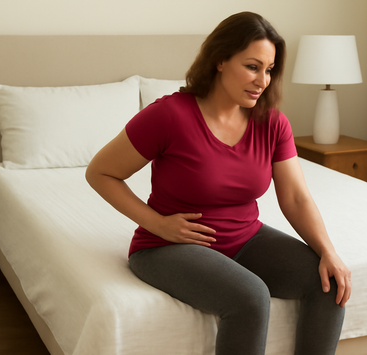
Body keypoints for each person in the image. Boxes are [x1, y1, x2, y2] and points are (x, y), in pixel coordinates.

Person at [86, 11, 351, 355]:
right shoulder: (169, 115)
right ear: (220, 60)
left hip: (245, 238)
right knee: (250, 296)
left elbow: (297, 198)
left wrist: (328, 252)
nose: (263, 80)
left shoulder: (272, 123)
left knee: (327, 281)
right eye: (253, 66)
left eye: (269, 70)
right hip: (167, 248)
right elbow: (100, 173)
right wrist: (157, 224)